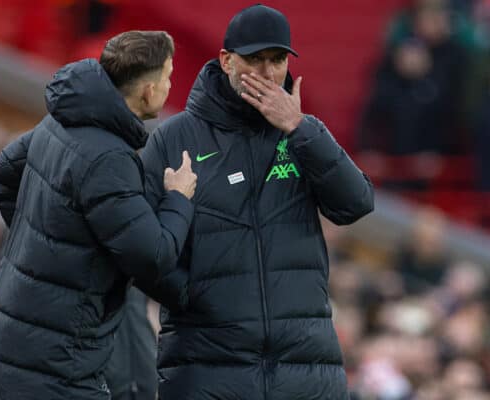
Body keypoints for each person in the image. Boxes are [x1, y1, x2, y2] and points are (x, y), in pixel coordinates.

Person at [140, 5, 374, 399]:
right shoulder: (174, 138)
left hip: (305, 371)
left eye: (277, 60)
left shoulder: (303, 134)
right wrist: (193, 297)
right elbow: (139, 246)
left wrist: (301, 128)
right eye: (255, 60)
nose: (267, 73)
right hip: (207, 370)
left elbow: (355, 204)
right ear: (226, 61)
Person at [0, 30, 197, 400]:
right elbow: (154, 256)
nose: (170, 86)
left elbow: (0, 178)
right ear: (147, 89)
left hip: (9, 341)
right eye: (168, 76)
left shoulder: (59, 122)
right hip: (56, 364)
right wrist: (179, 197)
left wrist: (46, 249)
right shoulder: (108, 158)